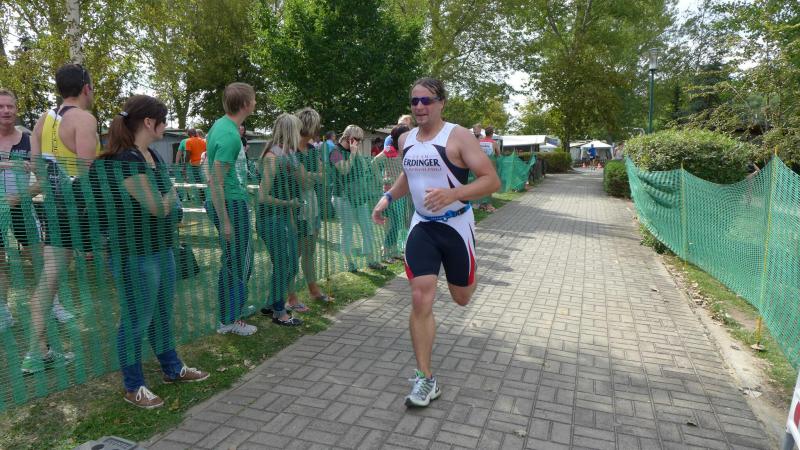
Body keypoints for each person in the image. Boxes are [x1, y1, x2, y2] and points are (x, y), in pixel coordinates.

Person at [372, 77, 500, 407]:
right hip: (423, 227)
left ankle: (468, 271)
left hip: (457, 226)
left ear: (441, 102)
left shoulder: (458, 136)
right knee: (420, 297)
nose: (419, 106)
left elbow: (491, 181)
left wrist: (454, 194)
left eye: (426, 100)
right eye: (414, 101)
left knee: (461, 298)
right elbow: (408, 175)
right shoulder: (407, 140)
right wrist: (388, 197)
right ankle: (425, 379)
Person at [91, 95, 209, 409]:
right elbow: (158, 206)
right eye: (164, 120)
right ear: (149, 122)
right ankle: (133, 387)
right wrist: (170, 193)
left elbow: (165, 203)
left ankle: (172, 368)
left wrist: (167, 197)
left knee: (161, 314)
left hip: (161, 247)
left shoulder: (151, 154)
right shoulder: (126, 159)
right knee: (136, 320)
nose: (166, 126)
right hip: (133, 253)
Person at [26, 63, 101, 374]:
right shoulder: (84, 119)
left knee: (50, 278)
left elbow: (36, 166)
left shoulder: (43, 119)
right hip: (78, 208)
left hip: (53, 205)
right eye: (92, 87)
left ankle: (37, 351)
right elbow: (87, 171)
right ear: (85, 88)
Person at [206, 82, 258, 336]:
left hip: (228, 201)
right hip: (230, 203)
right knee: (241, 261)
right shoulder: (229, 135)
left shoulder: (221, 126)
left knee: (233, 260)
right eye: (254, 99)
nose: (255, 103)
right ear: (246, 104)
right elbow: (215, 181)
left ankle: (231, 310)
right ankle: (230, 319)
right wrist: (225, 220)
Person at [255, 114, 305, 326]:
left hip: (283, 217)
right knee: (285, 264)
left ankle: (270, 303)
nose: (301, 134)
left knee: (290, 264)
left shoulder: (289, 154)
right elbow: (262, 196)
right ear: (290, 131)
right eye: (298, 130)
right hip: (270, 218)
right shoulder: (272, 157)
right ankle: (279, 311)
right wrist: (289, 204)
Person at [0, 89, 39, 331]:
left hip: (22, 206)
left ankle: (51, 304)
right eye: (0, 106)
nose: (6, 111)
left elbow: (42, 178)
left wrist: (17, 198)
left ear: (16, 109)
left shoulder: (28, 139)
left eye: (10, 106)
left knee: (38, 258)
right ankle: (3, 312)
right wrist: (10, 164)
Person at [289, 107, 332, 306]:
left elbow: (322, 177)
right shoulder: (291, 149)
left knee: (310, 251)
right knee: (294, 253)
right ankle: (290, 296)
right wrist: (312, 176)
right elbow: (303, 180)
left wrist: (310, 176)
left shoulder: (313, 149)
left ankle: (313, 289)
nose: (318, 129)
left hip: (312, 205)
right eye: (316, 125)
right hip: (296, 207)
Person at [329, 125, 385, 272]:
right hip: (342, 197)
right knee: (347, 229)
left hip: (360, 197)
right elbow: (344, 170)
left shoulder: (356, 151)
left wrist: (356, 153)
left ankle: (371, 260)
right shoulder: (334, 151)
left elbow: (364, 170)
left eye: (360, 140)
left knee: (368, 228)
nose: (359, 142)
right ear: (348, 137)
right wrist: (353, 154)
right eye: (357, 139)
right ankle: (349, 263)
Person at [372, 123, 409, 262]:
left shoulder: (404, 149)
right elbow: (374, 162)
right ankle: (385, 252)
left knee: (398, 223)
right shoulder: (390, 149)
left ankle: (394, 251)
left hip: (402, 192)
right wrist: (381, 179)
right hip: (390, 192)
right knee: (391, 223)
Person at [477, 127, 500, 212]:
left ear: (485, 133)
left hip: (480, 165)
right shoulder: (494, 143)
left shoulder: (479, 142)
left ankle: (481, 204)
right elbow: (498, 154)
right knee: (490, 185)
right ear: (492, 133)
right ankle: (489, 205)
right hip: (490, 166)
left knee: (481, 184)